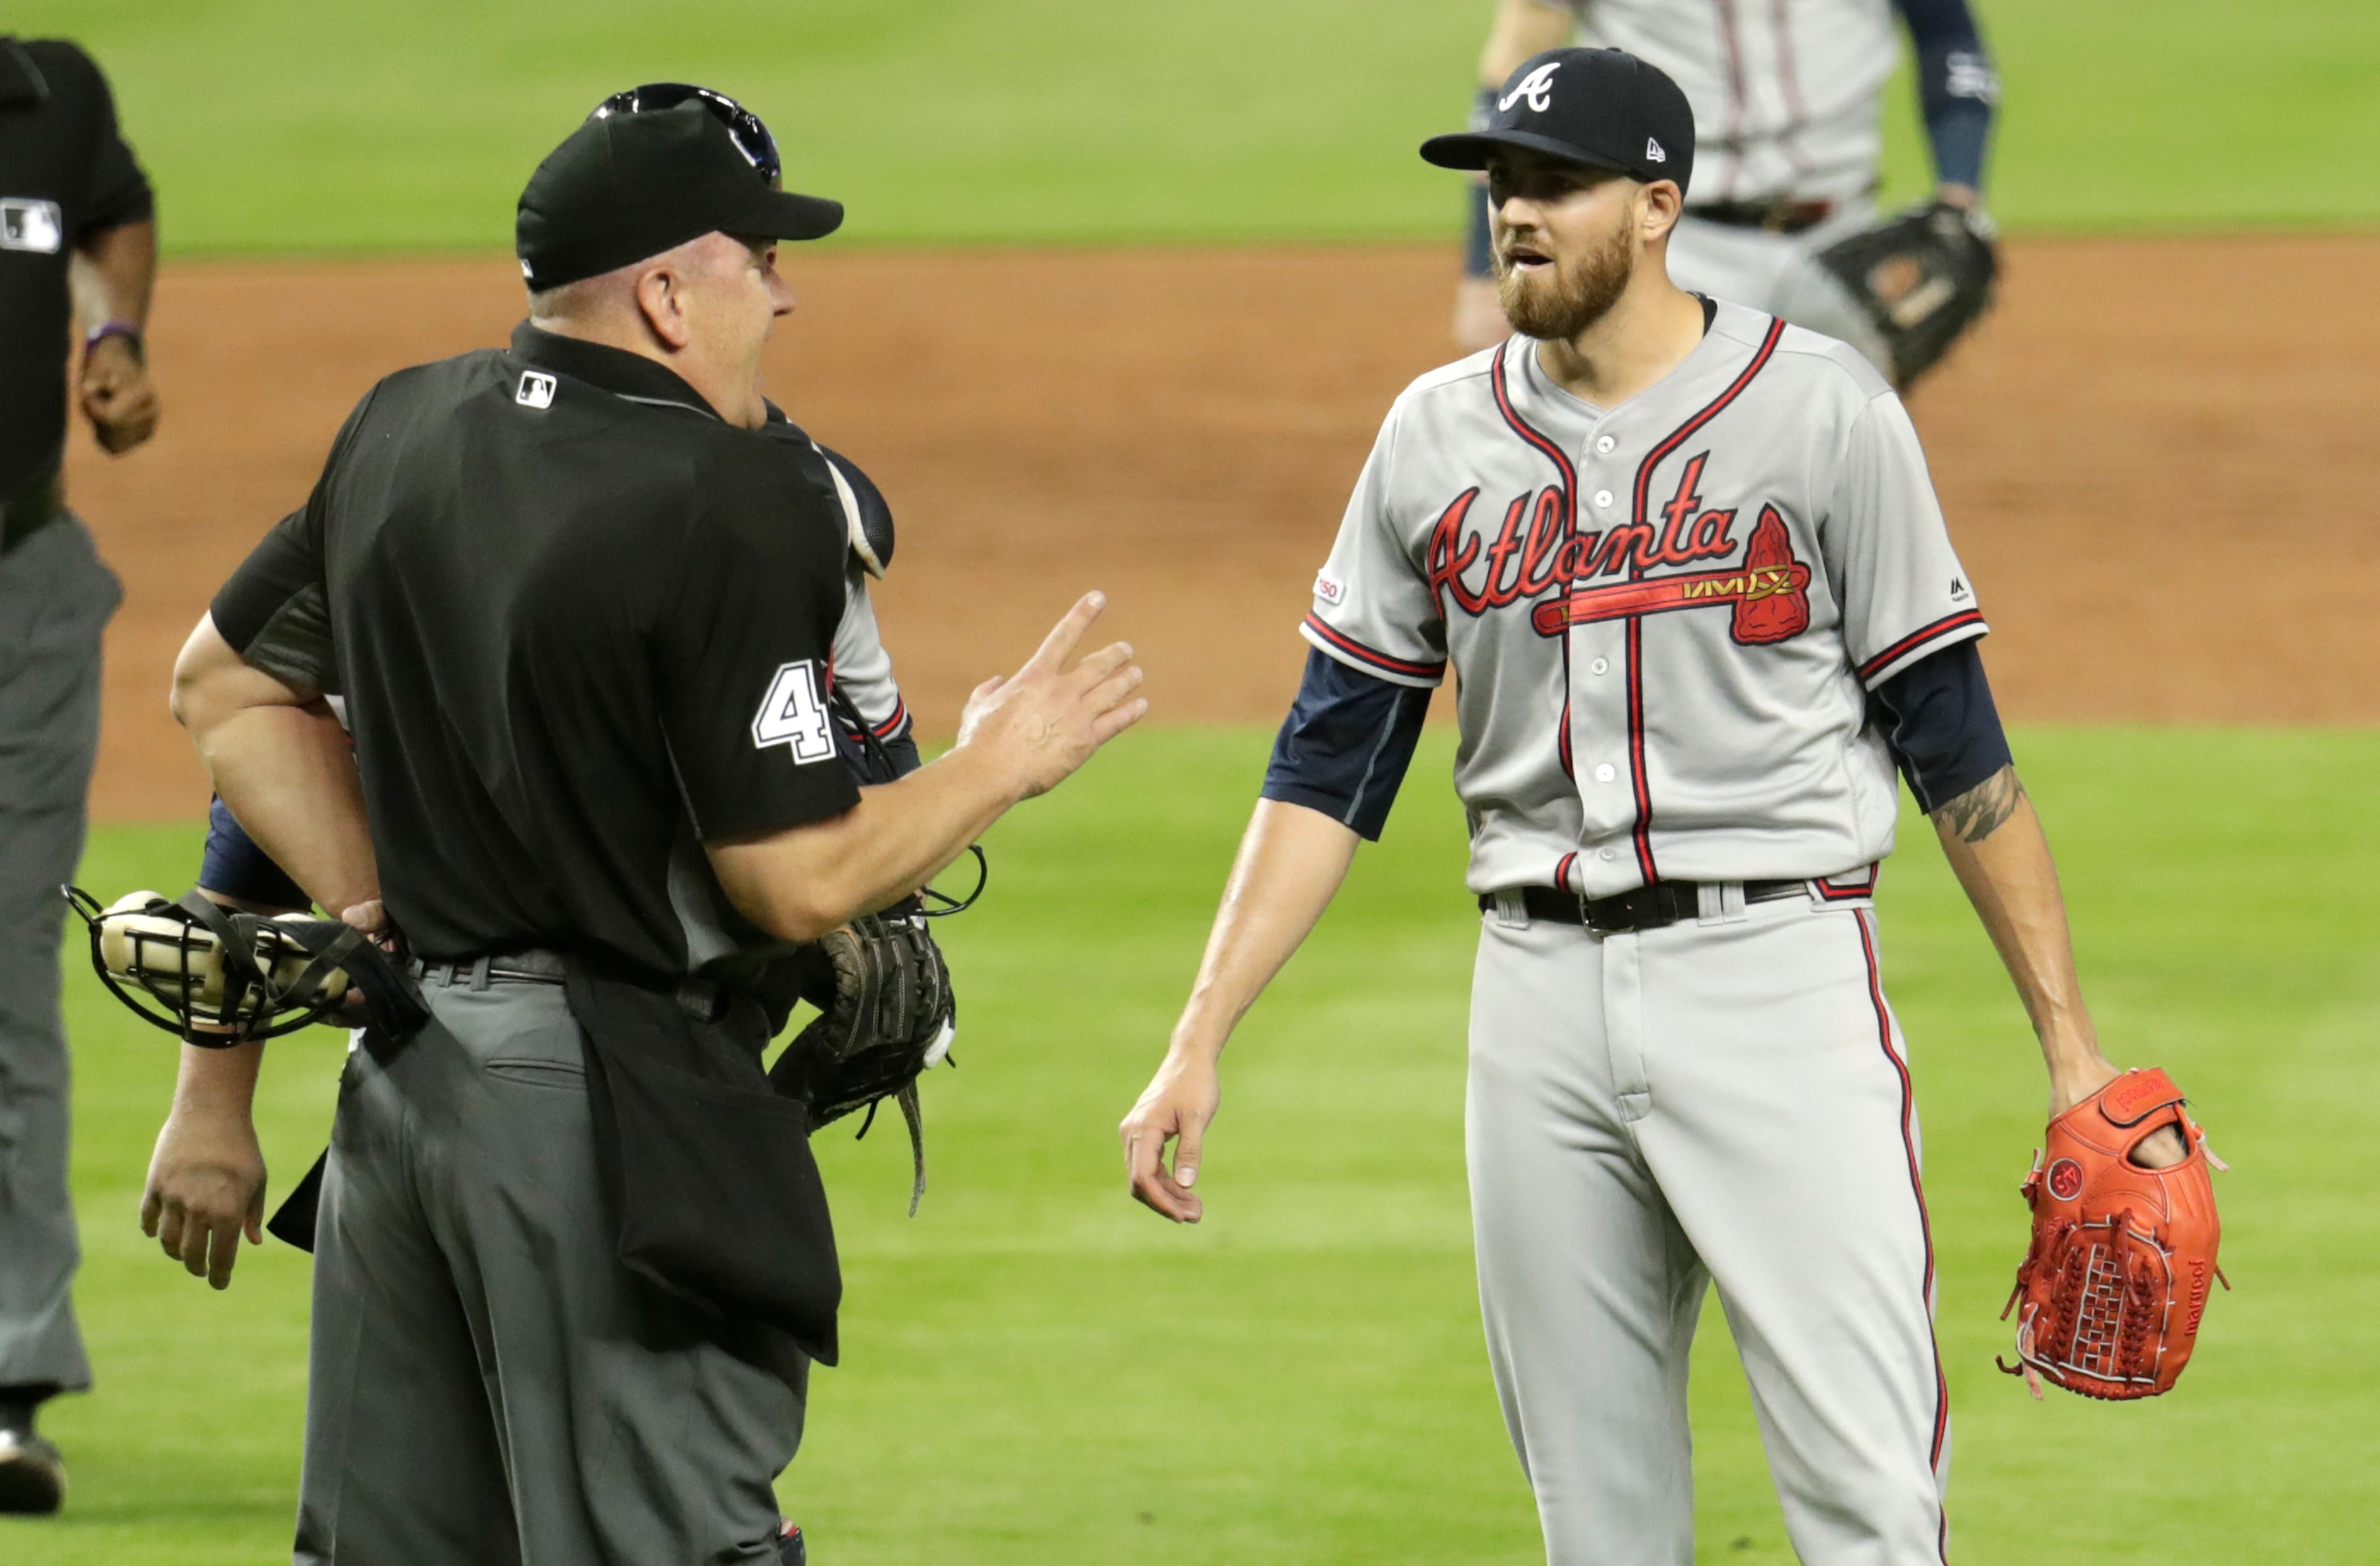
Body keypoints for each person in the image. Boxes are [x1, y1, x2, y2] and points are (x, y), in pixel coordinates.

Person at [1119, 48, 2177, 1565]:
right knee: (1596, 1530)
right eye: (1500, 187)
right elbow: (1325, 762)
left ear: (1658, 206)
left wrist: (2069, 1052)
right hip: (1531, 1002)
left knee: (1870, 1506)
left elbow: (1955, 745)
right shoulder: (1428, 437)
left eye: (1555, 185)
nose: (1517, 215)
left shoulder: (1821, 414)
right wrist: (1194, 1037)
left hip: (1775, 985)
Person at [149, 88, 1144, 1565]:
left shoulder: (404, 424)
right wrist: (1000, 760)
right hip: (598, 1111)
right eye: (758, 258)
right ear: (669, 293)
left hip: (400, 1090)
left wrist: (378, 899)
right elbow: (799, 879)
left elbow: (219, 688)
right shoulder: (734, 496)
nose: (785, 290)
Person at [0, 32, 159, 1516]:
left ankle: (4, 1382)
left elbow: (108, 211)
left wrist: (112, 338)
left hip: (20, 591)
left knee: (5, 984)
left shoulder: (47, 98)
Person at [1452, 0, 2000, 376]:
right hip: (1669, 242)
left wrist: (1960, 197)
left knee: (1845, 472)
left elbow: (1950, 38)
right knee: (1656, 484)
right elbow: (1515, 75)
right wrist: (1486, 266)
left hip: (1846, 238)